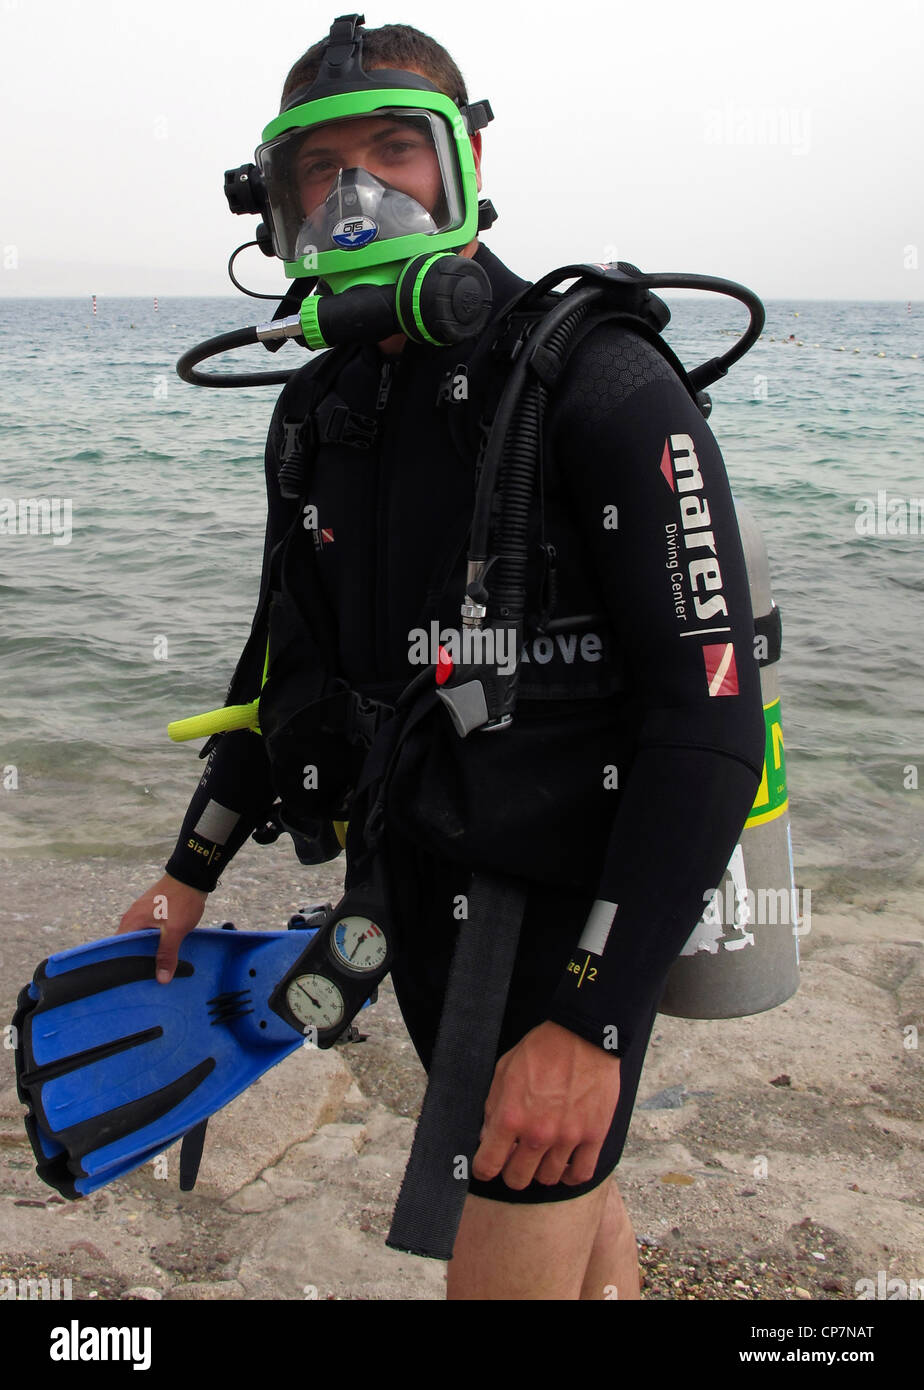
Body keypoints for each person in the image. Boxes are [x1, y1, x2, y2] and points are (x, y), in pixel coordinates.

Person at [118, 19, 765, 1300]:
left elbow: (711, 723)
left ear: (465, 163)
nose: (362, 192)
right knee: (572, 1180)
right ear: (279, 205)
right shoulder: (321, 410)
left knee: (536, 1166)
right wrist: (188, 872)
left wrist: (591, 1022)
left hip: (571, 920)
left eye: (397, 150)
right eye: (323, 169)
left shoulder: (602, 380)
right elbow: (284, 673)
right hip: (414, 887)